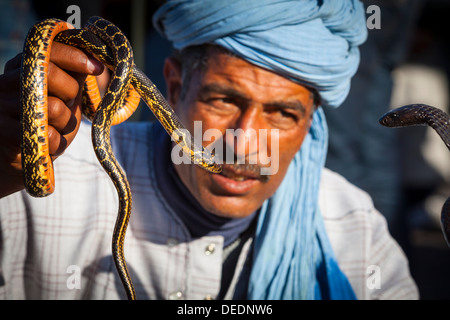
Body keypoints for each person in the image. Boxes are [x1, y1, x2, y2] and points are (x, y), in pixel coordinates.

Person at [0, 0, 418, 300]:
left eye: (282, 113)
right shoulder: (45, 180)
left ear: (311, 122)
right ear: (176, 86)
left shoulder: (354, 226)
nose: (244, 143)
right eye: (223, 100)